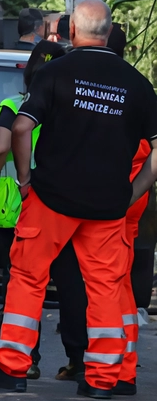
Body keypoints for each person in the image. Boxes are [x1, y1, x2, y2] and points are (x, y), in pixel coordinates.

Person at [0, 0, 157, 399]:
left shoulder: (56, 72)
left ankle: (13, 367)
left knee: (27, 278)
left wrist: (24, 180)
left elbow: (21, 129)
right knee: (105, 287)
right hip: (107, 206)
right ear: (108, 33)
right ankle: (104, 380)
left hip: (52, 198)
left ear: (72, 32)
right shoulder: (138, 85)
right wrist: (131, 192)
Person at [48, 25, 150, 393]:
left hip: (106, 205)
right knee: (119, 288)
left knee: (100, 287)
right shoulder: (135, 89)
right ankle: (124, 370)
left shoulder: (105, 91)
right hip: (128, 206)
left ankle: (101, 368)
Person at [0, 41, 67, 378]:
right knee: (64, 280)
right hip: (59, 203)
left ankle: (26, 358)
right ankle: (79, 358)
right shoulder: (67, 110)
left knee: (21, 280)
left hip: (14, 203)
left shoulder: (13, 106)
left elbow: (1, 147)